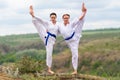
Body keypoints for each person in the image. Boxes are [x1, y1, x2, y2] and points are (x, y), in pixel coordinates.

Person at [58, 3, 87, 75]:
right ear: (63, 18)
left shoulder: (71, 23)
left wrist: (84, 12)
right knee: (75, 54)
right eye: (64, 18)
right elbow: (54, 31)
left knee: (81, 21)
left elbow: (79, 18)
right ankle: (75, 70)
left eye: (67, 18)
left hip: (75, 36)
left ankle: (83, 11)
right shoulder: (60, 25)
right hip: (69, 42)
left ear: (68, 19)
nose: (66, 19)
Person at [29, 5, 59, 74]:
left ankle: (48, 69)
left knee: (49, 54)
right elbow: (41, 20)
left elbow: (62, 31)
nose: (53, 18)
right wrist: (34, 15)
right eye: (52, 17)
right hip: (46, 36)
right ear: (50, 18)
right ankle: (32, 15)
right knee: (38, 25)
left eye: (54, 17)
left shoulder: (58, 25)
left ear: (56, 17)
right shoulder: (48, 23)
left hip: (51, 40)